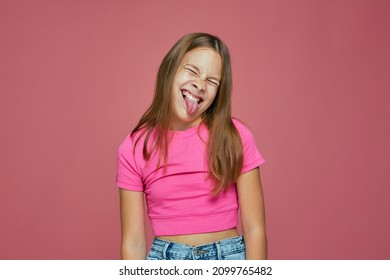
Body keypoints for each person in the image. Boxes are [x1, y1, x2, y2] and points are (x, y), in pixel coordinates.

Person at [116, 32, 267, 260]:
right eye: (192, 71)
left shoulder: (234, 136)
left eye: (212, 81)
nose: (200, 84)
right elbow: (133, 241)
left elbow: (255, 230)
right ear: (170, 70)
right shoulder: (135, 147)